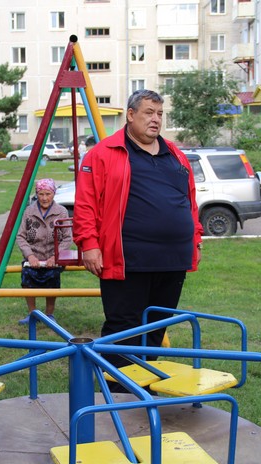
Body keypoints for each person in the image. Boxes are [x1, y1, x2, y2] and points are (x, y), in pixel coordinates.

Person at [73, 89, 203, 384]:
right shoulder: (104, 153)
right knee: (123, 329)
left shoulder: (175, 154)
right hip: (126, 258)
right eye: (149, 113)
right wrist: (89, 244)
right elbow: (85, 203)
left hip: (172, 258)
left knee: (156, 327)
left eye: (160, 114)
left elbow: (190, 201)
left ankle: (144, 387)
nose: (156, 119)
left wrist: (195, 238)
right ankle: (118, 393)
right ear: (130, 115)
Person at [16, 178, 71, 324]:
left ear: (54, 194)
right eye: (41, 194)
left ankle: (49, 314)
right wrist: (30, 256)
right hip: (34, 256)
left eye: (48, 194)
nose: (44, 198)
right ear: (37, 194)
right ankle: (32, 313)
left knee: (52, 276)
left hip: (53, 257)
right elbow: (21, 236)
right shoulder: (29, 211)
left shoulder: (61, 212)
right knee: (27, 275)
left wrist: (55, 257)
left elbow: (67, 238)